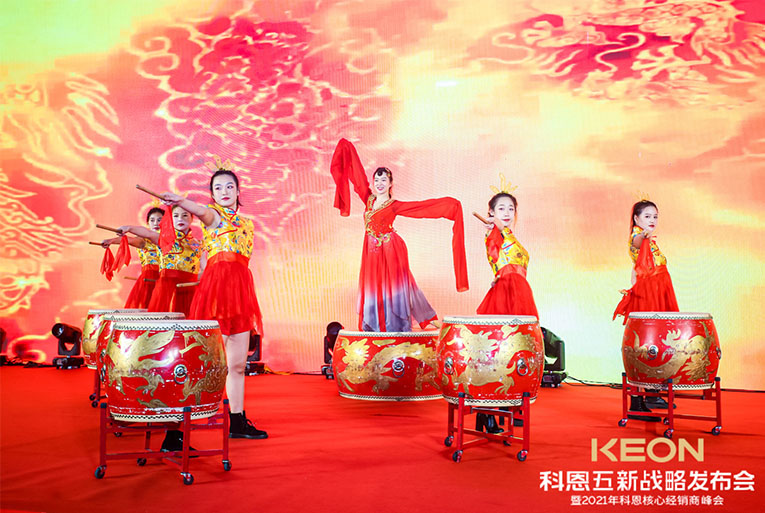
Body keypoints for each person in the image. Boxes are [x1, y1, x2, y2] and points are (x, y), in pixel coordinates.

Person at [161, 165, 267, 440]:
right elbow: (200, 211)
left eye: (229, 186)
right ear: (212, 194)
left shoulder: (247, 224)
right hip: (216, 293)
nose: (224, 191)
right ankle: (175, 433)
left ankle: (238, 422)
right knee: (202, 362)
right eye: (218, 188)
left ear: (238, 191)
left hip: (240, 295)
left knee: (237, 365)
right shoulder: (214, 216)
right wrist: (180, 201)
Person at [330, 138, 468, 332]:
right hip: (372, 254)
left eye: (383, 180)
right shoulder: (369, 199)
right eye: (376, 180)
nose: (379, 184)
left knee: (396, 288)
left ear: (390, 183)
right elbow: (358, 178)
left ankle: (409, 322)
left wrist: (451, 206)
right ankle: (377, 326)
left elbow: (421, 208)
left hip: (391, 250)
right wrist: (346, 149)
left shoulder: (394, 205)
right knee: (374, 287)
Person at [475, 187, 538, 433]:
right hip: (506, 294)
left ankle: (509, 405)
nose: (507, 212)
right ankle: (487, 412)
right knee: (499, 353)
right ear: (491, 212)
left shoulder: (509, 234)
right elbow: (494, 252)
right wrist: (493, 226)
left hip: (521, 295)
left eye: (511, 208)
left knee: (517, 350)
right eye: (501, 208)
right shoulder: (495, 233)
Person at [613, 199, 679, 419]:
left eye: (655, 216)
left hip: (659, 292)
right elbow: (637, 241)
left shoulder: (651, 241)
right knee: (646, 343)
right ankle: (638, 399)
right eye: (647, 216)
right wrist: (644, 235)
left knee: (658, 341)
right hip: (650, 295)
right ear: (636, 219)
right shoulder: (638, 235)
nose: (652, 220)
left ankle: (651, 392)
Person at [118, 205, 201, 317]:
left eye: (185, 215)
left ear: (192, 219)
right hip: (167, 288)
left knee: (187, 323)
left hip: (188, 289)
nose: (180, 219)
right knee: (162, 321)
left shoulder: (197, 244)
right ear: (170, 220)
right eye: (176, 216)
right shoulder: (164, 239)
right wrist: (128, 228)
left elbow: (203, 268)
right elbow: (147, 233)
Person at [102, 207, 164, 308]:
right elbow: (129, 240)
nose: (156, 223)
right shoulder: (144, 240)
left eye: (159, 220)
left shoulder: (171, 240)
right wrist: (111, 241)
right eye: (152, 220)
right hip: (150, 278)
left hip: (166, 279)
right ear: (148, 223)